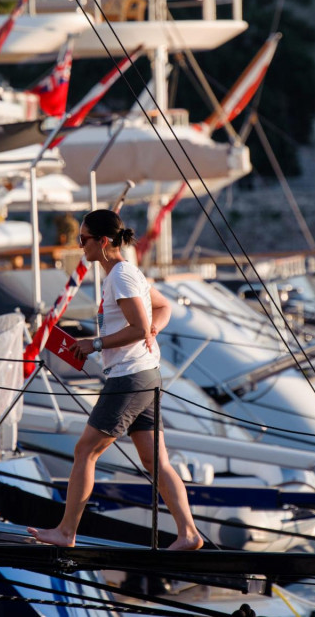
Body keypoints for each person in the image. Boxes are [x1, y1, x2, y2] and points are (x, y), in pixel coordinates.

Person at [28, 209, 203, 550]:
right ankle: (189, 534)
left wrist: (93, 343)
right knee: (155, 462)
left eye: (84, 240)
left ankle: (65, 532)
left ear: (103, 242)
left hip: (129, 378)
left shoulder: (120, 277)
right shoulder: (128, 273)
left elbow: (137, 328)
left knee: (84, 452)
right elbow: (162, 309)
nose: (80, 247)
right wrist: (152, 328)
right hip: (146, 375)